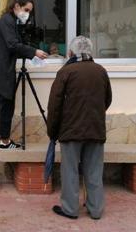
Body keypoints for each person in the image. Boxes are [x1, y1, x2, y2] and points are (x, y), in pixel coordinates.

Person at [47, 36, 112, 219]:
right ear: (90, 52)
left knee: (70, 172)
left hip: (70, 131)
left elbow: (54, 105)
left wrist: (52, 131)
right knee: (94, 171)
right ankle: (96, 210)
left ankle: (70, 209)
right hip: (95, 129)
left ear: (70, 52)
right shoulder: (101, 71)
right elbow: (107, 100)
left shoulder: (66, 72)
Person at [0, 0, 48, 149]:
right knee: (7, 105)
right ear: (17, 6)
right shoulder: (7, 21)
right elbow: (12, 44)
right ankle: (5, 141)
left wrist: (2, 48)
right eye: (26, 9)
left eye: (30, 11)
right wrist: (34, 52)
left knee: (1, 104)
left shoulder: (5, 21)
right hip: (2, 69)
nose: (28, 14)